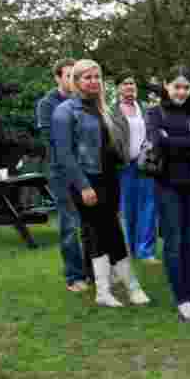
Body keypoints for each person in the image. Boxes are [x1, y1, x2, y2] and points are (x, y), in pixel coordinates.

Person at [52, 59, 150, 308]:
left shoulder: (102, 108)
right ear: (75, 81)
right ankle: (114, 289)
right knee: (98, 232)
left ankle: (122, 287)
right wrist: (83, 186)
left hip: (109, 179)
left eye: (97, 76)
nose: (94, 81)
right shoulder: (65, 111)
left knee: (112, 231)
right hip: (86, 180)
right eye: (87, 77)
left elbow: (111, 146)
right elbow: (64, 154)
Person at [147, 66, 190, 321]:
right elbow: (157, 143)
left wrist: (173, 140)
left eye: (186, 87)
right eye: (177, 86)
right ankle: (182, 300)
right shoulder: (155, 112)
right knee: (173, 242)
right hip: (168, 185)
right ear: (166, 85)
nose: (182, 92)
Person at [36, 58, 95, 292]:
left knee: (90, 223)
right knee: (70, 225)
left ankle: (93, 271)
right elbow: (53, 140)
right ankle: (74, 276)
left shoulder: (84, 102)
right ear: (58, 77)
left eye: (75, 75)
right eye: (69, 75)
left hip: (86, 168)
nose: (73, 79)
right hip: (60, 171)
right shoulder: (47, 104)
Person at [113, 74, 158, 263]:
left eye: (132, 83)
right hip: (124, 166)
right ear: (118, 88)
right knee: (127, 209)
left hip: (146, 165)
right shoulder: (112, 112)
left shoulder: (145, 109)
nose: (130, 86)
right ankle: (128, 249)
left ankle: (146, 251)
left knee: (149, 207)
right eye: (125, 83)